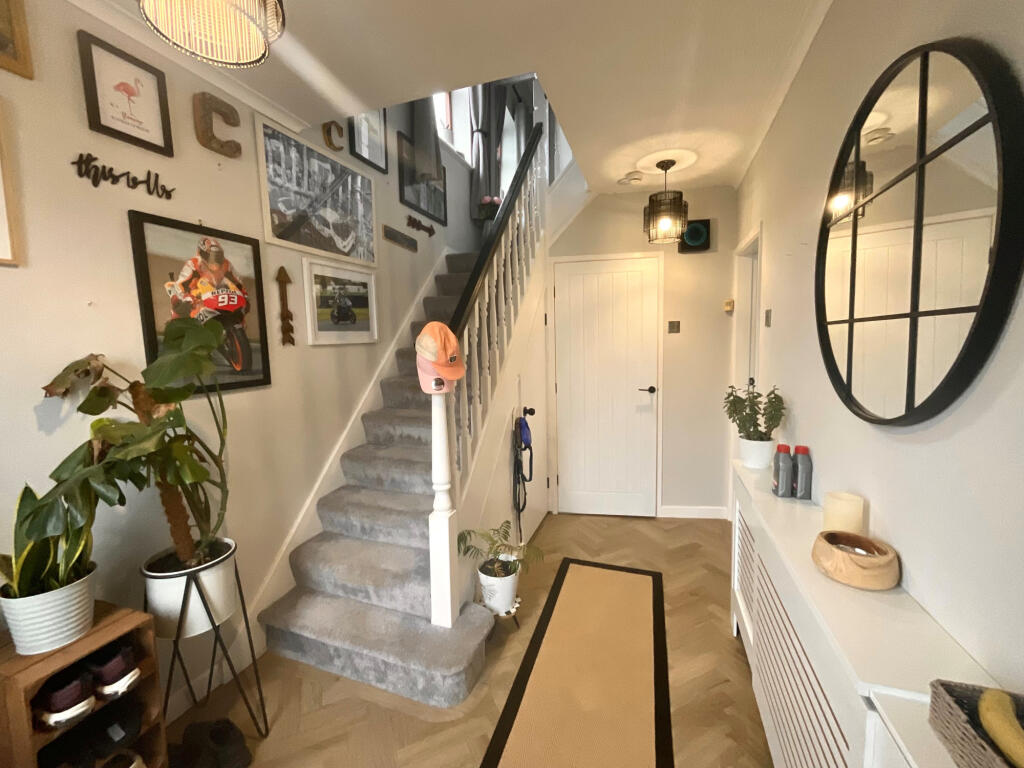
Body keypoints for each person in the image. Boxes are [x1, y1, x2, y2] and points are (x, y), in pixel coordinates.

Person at [168, 237, 248, 319]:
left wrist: (244, 295)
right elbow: (180, 285)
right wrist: (187, 298)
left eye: (217, 256)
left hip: (219, 296)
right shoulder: (193, 263)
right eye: (210, 255)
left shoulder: (226, 264)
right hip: (197, 297)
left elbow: (238, 282)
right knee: (181, 310)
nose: (214, 259)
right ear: (201, 253)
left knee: (240, 311)